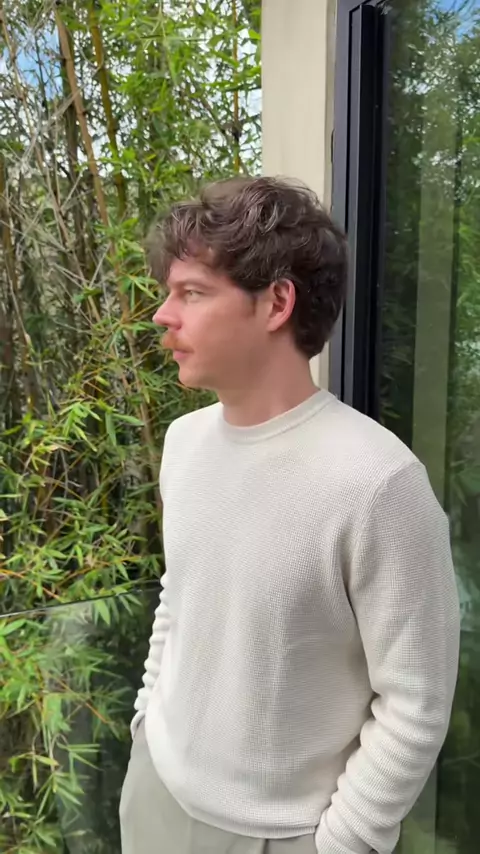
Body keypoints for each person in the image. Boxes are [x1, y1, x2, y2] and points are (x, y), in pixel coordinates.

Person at [119, 176, 460, 854]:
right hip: (155, 795)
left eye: (192, 293)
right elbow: (179, 603)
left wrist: (340, 844)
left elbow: (416, 700)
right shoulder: (184, 445)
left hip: (280, 834)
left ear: (276, 303)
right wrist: (144, 727)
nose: (162, 315)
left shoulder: (378, 482)